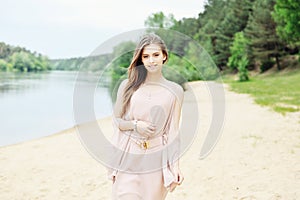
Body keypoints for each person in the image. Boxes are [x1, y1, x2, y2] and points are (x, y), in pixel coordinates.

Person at [107, 33, 184, 200]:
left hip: (156, 159)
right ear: (141, 59)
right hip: (130, 155)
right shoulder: (128, 86)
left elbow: (173, 132)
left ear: (164, 55)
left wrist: (175, 166)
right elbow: (117, 121)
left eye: (156, 55)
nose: (151, 60)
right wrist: (135, 125)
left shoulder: (175, 90)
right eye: (146, 56)